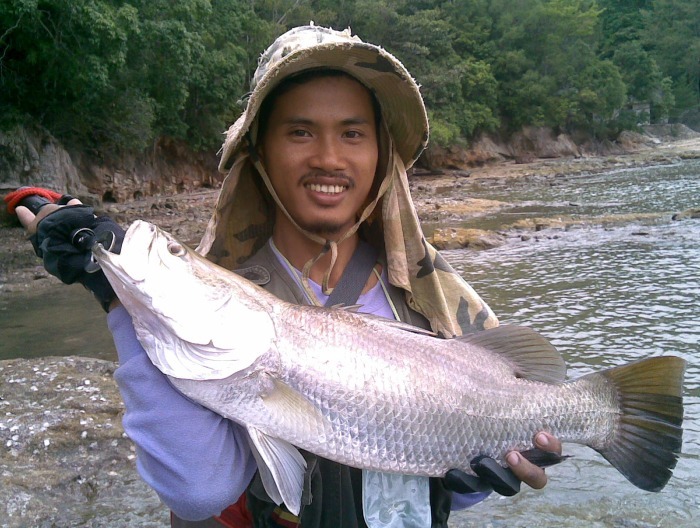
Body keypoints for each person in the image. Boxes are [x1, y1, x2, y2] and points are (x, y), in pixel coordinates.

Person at [13, 25, 562, 528]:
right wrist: (118, 296)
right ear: (259, 151)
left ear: (381, 153)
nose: (329, 158)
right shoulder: (205, 304)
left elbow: (444, 494)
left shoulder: (439, 304)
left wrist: (483, 476)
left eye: (353, 133)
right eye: (300, 132)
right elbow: (199, 489)